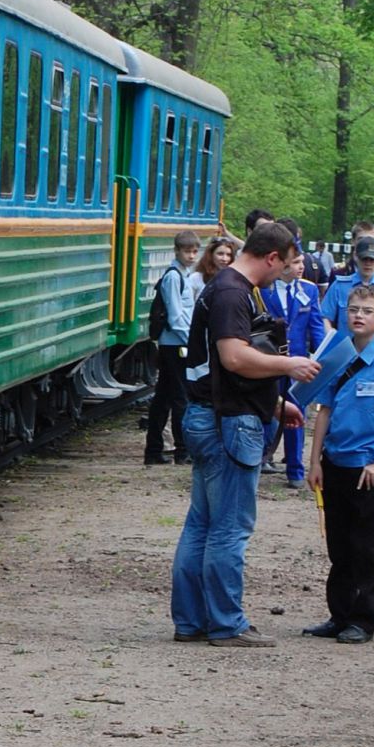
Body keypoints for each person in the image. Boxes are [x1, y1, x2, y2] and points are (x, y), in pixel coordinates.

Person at [170, 222, 319, 646]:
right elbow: (234, 358)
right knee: (229, 528)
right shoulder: (234, 292)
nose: (284, 272)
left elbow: (219, 370)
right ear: (272, 257)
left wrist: (274, 404)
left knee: (202, 523)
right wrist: (290, 366)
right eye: (286, 264)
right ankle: (225, 623)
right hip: (227, 423)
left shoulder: (223, 288)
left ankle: (192, 621)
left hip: (210, 415)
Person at [305, 282, 374, 643]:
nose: (358, 316)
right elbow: (324, 410)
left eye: (367, 311)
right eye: (353, 310)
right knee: (338, 544)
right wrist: (315, 461)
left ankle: (362, 619)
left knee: (365, 546)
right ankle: (338, 615)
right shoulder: (338, 357)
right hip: (334, 463)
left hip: (365, 469)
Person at [261, 244, 325, 487]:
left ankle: (295, 469)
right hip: (269, 360)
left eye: (302, 263)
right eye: (297, 262)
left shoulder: (308, 290)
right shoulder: (263, 290)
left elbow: (316, 326)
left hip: (298, 362)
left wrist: (319, 358)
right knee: (266, 409)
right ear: (283, 263)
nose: (302, 267)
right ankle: (262, 457)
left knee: (296, 414)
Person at [144, 229, 201, 466]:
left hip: (176, 343)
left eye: (195, 251)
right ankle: (182, 450)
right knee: (180, 398)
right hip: (175, 345)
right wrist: (192, 340)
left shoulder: (185, 276)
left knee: (164, 398)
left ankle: (154, 450)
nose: (191, 256)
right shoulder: (173, 278)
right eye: (187, 251)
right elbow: (176, 316)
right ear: (177, 251)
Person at [321, 235, 374, 357]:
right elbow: (325, 317)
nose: (368, 264)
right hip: (344, 354)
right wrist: (332, 342)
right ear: (355, 256)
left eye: (372, 260)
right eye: (364, 259)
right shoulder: (339, 285)